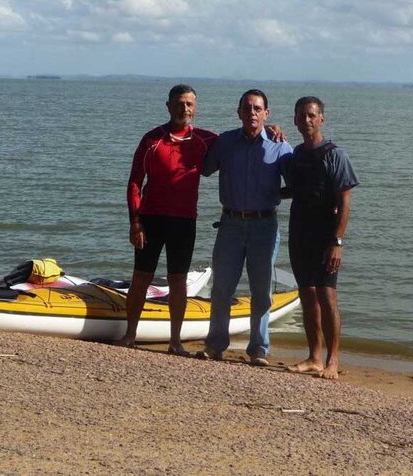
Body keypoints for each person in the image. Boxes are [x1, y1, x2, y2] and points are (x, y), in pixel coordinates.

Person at [118, 84, 217, 355]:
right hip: (150, 218)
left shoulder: (205, 140)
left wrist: (271, 130)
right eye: (179, 103)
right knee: (141, 277)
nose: (184, 109)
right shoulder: (152, 139)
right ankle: (130, 334)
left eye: (189, 104)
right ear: (168, 106)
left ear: (195, 108)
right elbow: (135, 182)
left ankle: (175, 341)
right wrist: (134, 221)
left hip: (184, 221)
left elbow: (241, 140)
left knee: (177, 281)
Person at [198, 89, 293, 366]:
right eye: (247, 108)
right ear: (239, 112)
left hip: (265, 225)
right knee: (221, 289)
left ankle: (258, 349)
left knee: (261, 291)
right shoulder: (225, 142)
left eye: (257, 108)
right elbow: (202, 168)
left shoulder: (280, 146)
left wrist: (273, 195)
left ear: (266, 114)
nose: (252, 112)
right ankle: (215, 345)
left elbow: (298, 185)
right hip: (230, 224)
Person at [284, 96, 359, 379]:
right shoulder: (296, 155)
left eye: (311, 115)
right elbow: (296, 190)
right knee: (307, 296)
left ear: (321, 119)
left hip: (326, 237)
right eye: (301, 116)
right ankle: (314, 356)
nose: (306, 120)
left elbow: (346, 202)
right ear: (295, 120)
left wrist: (337, 242)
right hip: (299, 233)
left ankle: (333, 360)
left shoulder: (335, 155)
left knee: (327, 297)